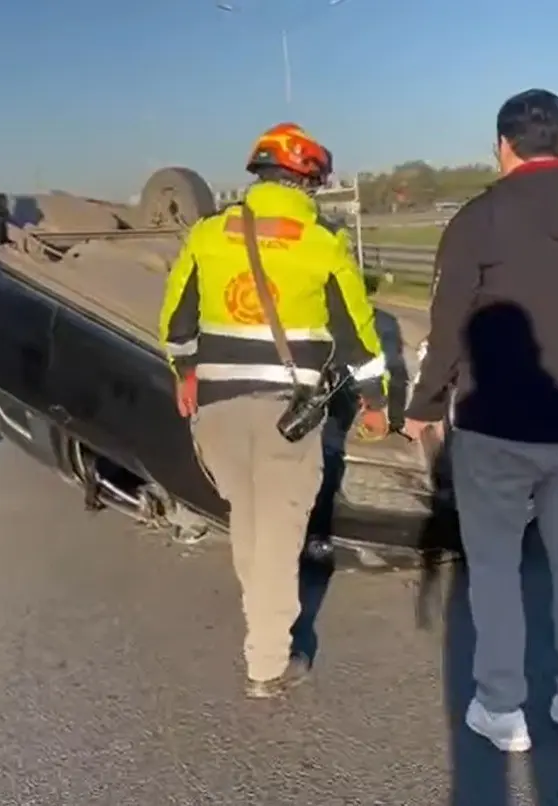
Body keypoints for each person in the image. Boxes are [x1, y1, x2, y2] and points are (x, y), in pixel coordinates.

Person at [402, 89, 558, 752]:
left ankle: (501, 709)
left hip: (495, 424)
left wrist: (421, 407)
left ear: (502, 145)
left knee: (496, 568)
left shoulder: (482, 216)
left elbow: (447, 324)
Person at [158, 122, 389, 699]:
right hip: (286, 414)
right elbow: (358, 337)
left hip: (216, 409)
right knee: (281, 535)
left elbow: (175, 326)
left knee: (249, 519)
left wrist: (183, 375)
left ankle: (260, 621)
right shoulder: (321, 243)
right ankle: (267, 662)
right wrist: (377, 401)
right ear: (306, 181)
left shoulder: (208, 235)